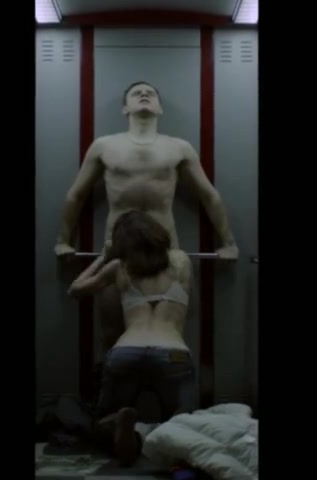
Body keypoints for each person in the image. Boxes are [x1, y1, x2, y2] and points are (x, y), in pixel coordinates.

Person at [55, 80, 238, 352]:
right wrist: (63, 240)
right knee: (111, 332)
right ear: (125, 108)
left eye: (150, 93)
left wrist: (228, 243)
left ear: (160, 108)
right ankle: (114, 376)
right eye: (136, 93)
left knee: (170, 327)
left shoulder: (179, 148)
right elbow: (75, 196)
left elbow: (209, 196)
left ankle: (168, 375)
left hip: (165, 250)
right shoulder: (104, 146)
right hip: (118, 251)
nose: (144, 94)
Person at [67, 210, 196, 466]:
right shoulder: (181, 261)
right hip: (173, 354)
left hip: (126, 352)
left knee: (102, 423)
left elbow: (75, 289)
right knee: (184, 423)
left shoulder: (120, 267)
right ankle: (166, 445)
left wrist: (103, 257)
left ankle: (122, 426)